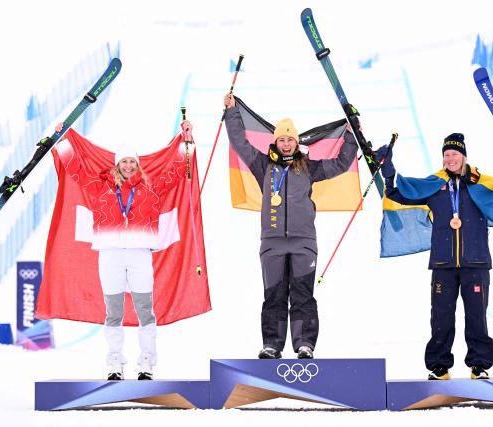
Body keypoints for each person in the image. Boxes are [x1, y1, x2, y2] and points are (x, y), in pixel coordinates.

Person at [378, 132, 493, 380]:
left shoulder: (479, 182)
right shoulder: (434, 185)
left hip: (476, 262)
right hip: (443, 262)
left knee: (476, 316)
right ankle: (439, 367)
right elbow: (399, 193)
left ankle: (479, 366)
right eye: (446, 155)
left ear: (463, 156)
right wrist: (388, 170)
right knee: (440, 317)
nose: (450, 159)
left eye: (454, 154)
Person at [54, 120, 194, 380]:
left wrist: (187, 140)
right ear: (117, 165)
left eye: (132, 162)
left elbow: (177, 171)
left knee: (144, 309)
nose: (128, 166)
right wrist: (61, 139)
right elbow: (74, 169)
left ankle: (146, 363)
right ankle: (114, 362)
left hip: (140, 253)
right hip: (110, 254)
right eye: (124, 162)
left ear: (137, 165)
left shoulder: (151, 188)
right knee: (113, 311)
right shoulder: (101, 188)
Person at [224, 92, 358, 359]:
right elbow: (240, 142)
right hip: (272, 242)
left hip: (303, 242)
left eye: (290, 140)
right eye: (282, 139)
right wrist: (231, 112)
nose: (286, 144)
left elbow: (342, 164)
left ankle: (304, 344)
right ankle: (272, 345)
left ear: (297, 143)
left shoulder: (308, 167)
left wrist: (352, 134)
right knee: (273, 295)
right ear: (276, 141)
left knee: (302, 295)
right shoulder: (263, 165)